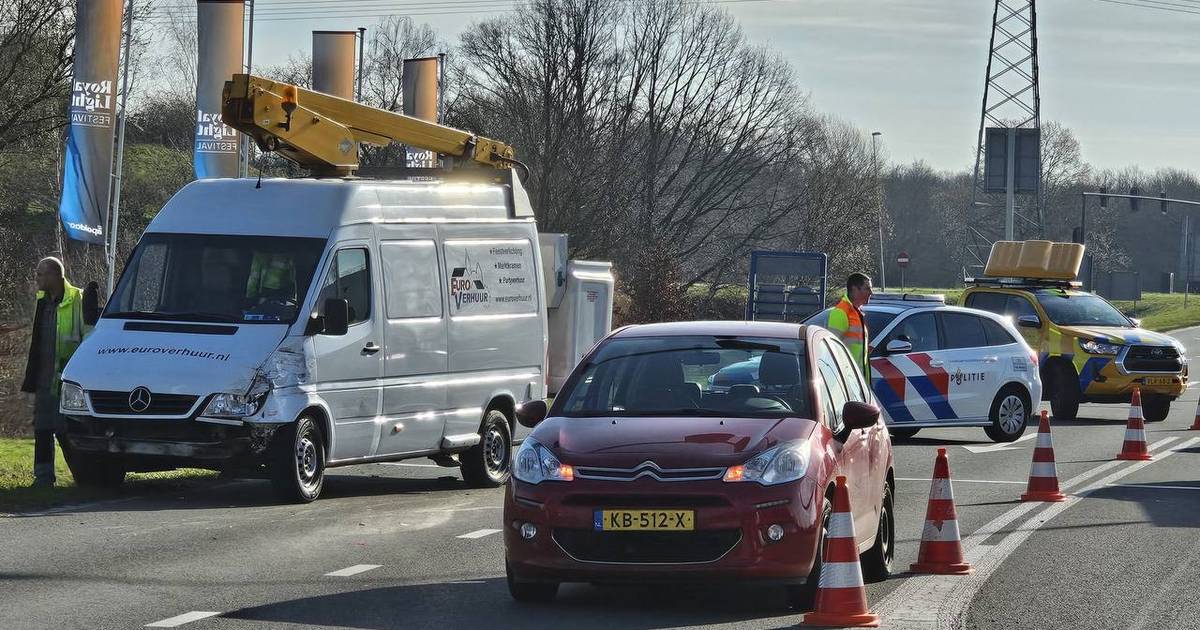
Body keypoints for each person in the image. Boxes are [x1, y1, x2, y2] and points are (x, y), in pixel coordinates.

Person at [20, 257, 94, 487]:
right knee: (42, 429)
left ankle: (84, 477)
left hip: (69, 379)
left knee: (66, 430)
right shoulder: (43, 301)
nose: (37, 278)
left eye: (41, 274)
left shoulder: (78, 299)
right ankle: (43, 478)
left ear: (54, 275)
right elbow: (38, 344)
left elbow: (89, 338)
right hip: (44, 378)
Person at [828, 273, 873, 376]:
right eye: (867, 289)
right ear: (854, 289)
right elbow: (832, 350)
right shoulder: (841, 312)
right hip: (847, 380)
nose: (871, 292)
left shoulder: (856, 312)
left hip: (857, 380)